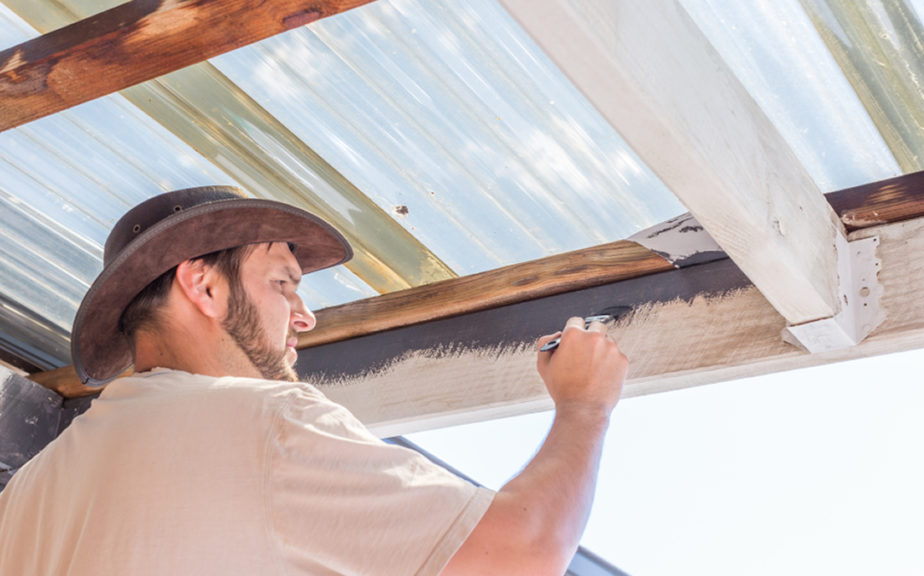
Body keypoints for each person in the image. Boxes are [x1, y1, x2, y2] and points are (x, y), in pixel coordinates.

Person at [0, 186, 628, 575]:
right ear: (204, 285)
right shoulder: (260, 422)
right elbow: (518, 555)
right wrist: (584, 407)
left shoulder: (28, 493)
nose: (304, 316)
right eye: (282, 283)